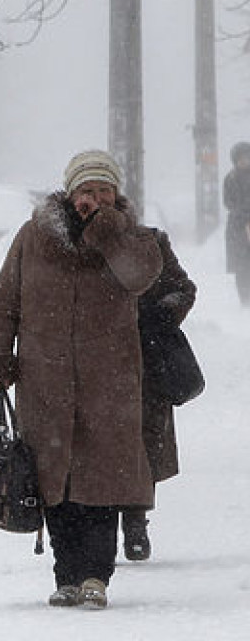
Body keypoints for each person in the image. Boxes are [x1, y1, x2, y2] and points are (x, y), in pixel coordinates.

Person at [0, 149, 162, 610]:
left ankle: (96, 575)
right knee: (54, 484)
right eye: (86, 190)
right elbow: (5, 302)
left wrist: (108, 232)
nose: (94, 198)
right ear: (69, 192)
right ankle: (66, 576)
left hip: (109, 383)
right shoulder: (34, 237)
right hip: (45, 381)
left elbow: (140, 276)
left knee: (103, 481)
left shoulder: (132, 238)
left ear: (115, 195)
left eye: (103, 191)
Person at [120, 228, 197, 561]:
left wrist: (156, 317)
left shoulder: (148, 241)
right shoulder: (78, 245)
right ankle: (101, 525)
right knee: (99, 442)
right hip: (95, 361)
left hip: (146, 363)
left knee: (143, 440)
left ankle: (135, 521)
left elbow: (183, 289)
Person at [223, 142, 250, 306]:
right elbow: (228, 202)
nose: (244, 161)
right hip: (237, 227)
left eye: (247, 157)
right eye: (241, 158)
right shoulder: (230, 178)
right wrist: (243, 213)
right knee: (241, 267)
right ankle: (245, 300)